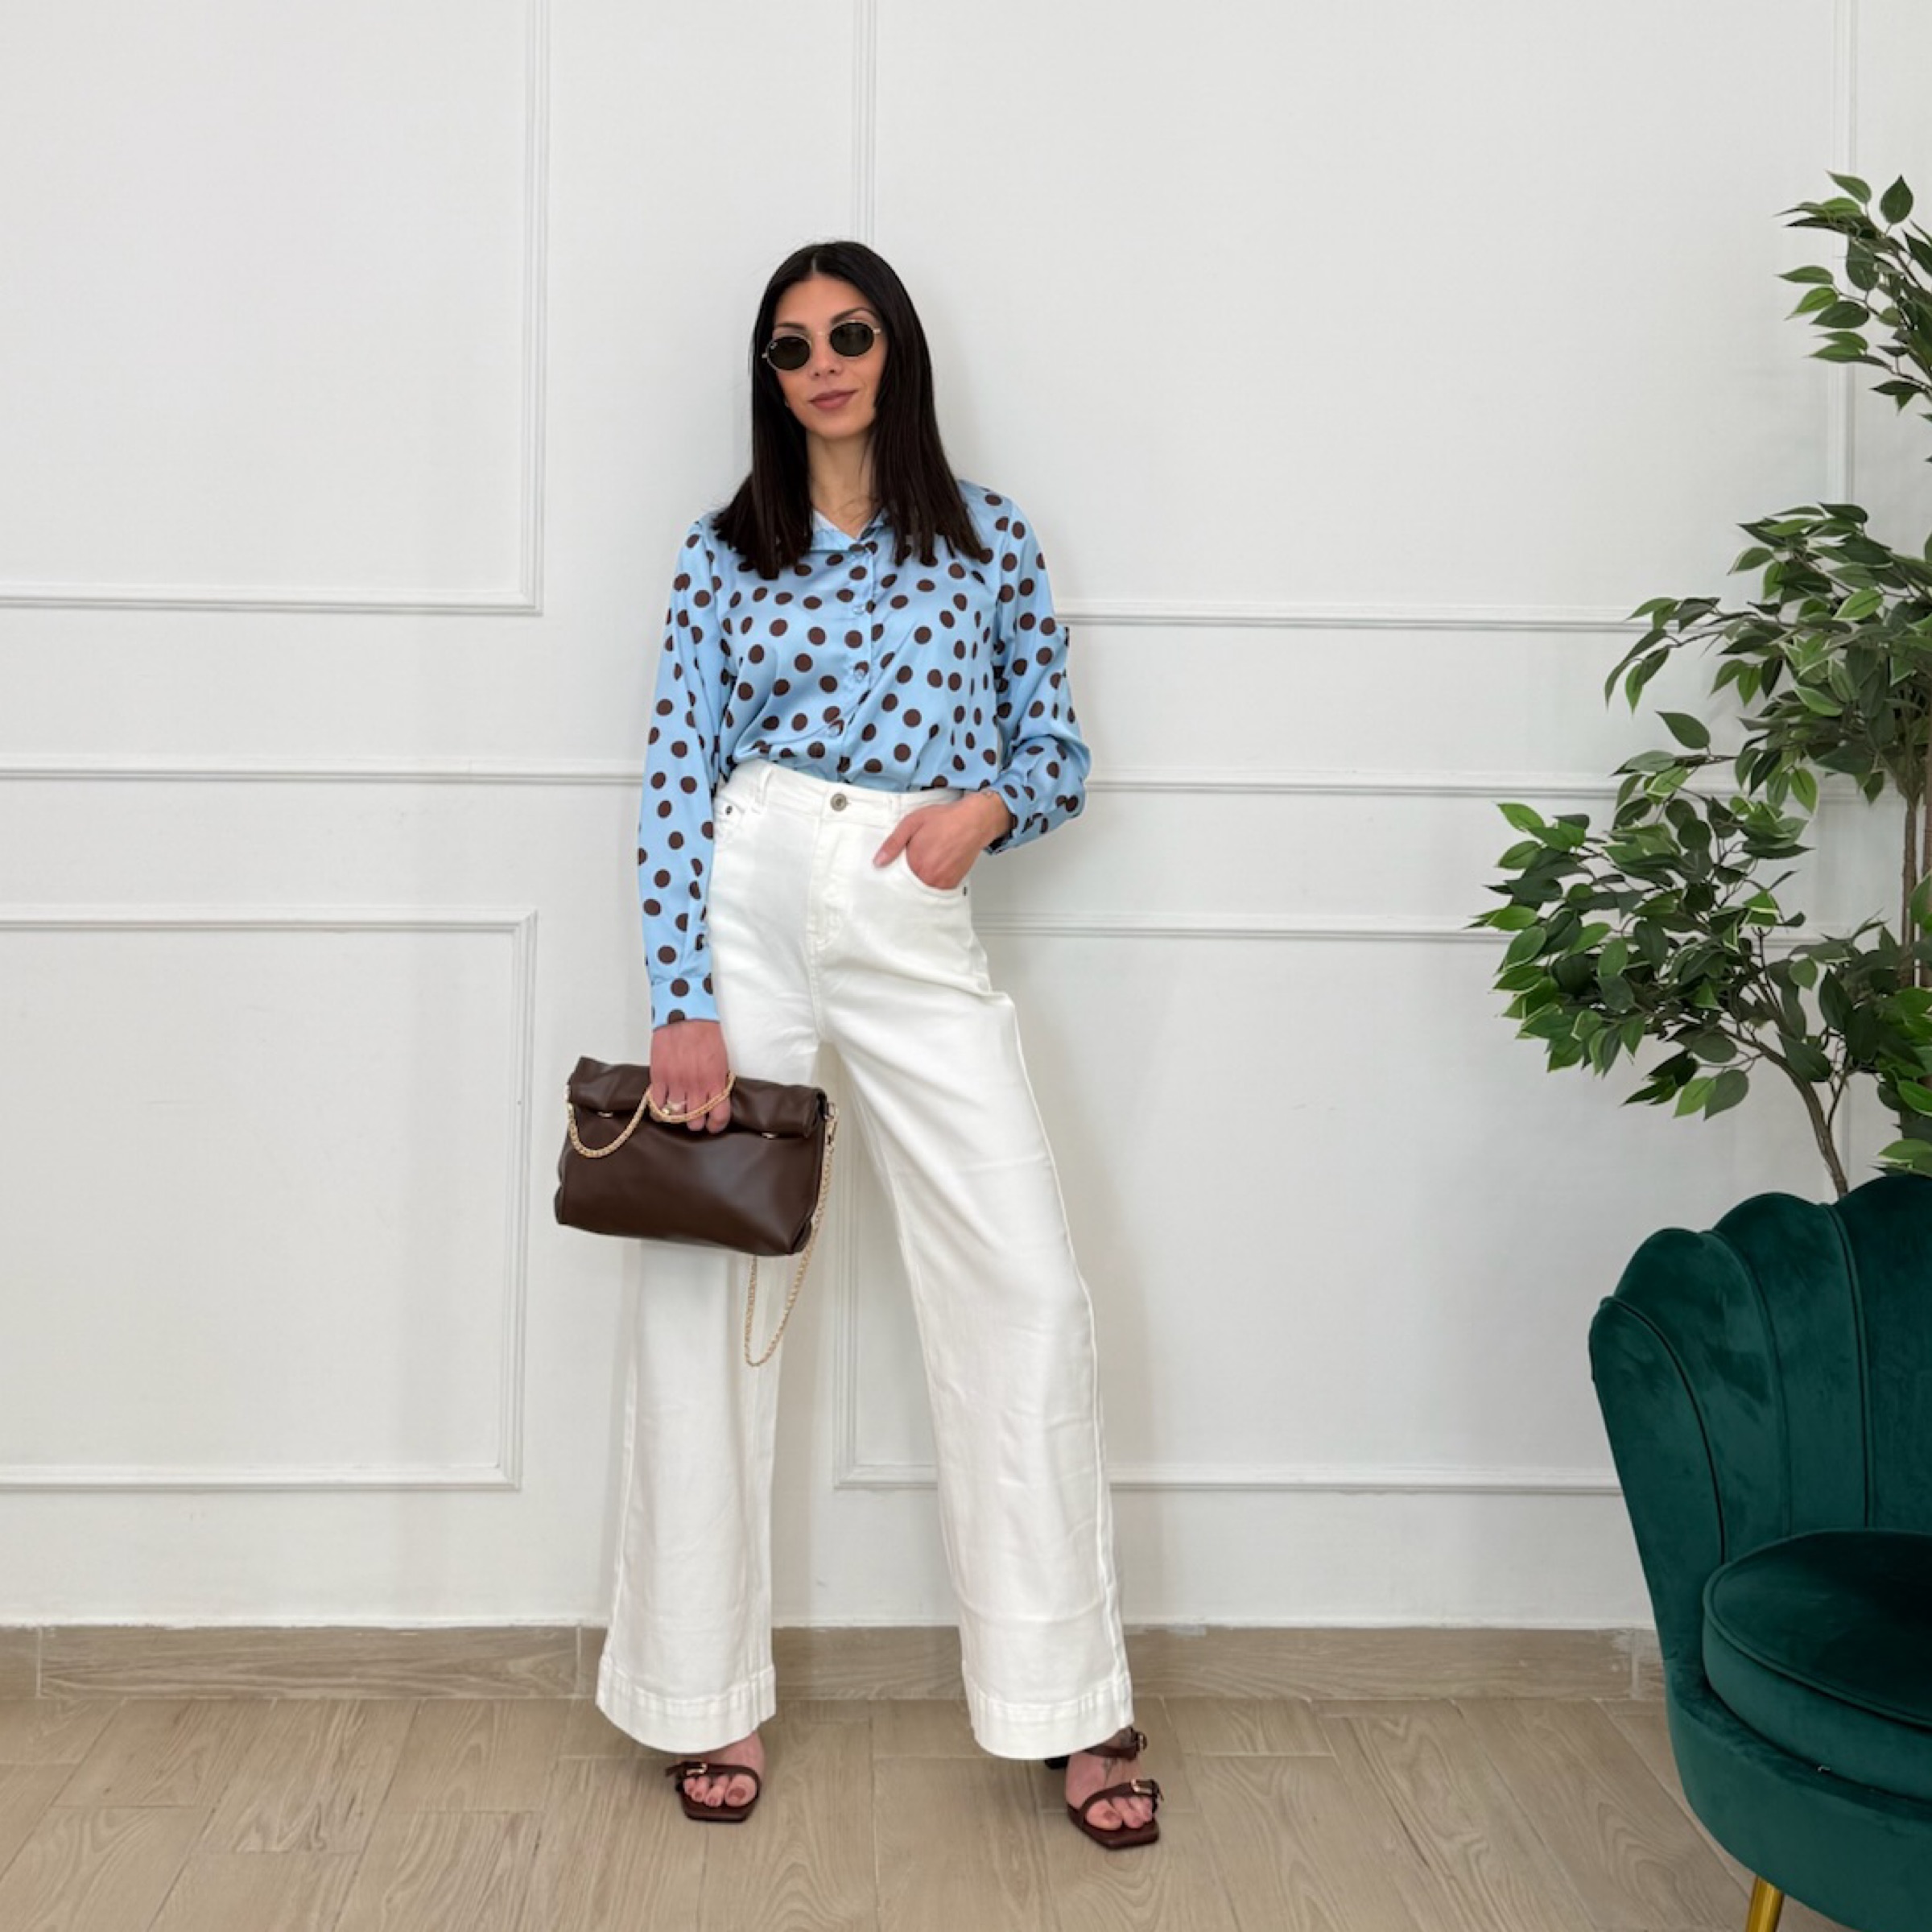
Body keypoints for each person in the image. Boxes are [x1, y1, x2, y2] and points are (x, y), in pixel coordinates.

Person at [599, 239, 1160, 1851]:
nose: (824, 364)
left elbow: (1056, 748)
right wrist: (683, 1001)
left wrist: (987, 811)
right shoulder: (725, 552)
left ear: (895, 347)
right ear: (769, 378)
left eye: (849, 334)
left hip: (913, 908)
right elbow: (674, 772)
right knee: (708, 1293)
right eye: (791, 347)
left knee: (1022, 1286)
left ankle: (1068, 1703)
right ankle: (703, 1693)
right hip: (753, 897)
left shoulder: (989, 538)